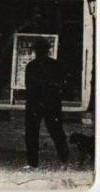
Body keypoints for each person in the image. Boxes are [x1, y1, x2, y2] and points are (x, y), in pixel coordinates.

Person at [24, 38, 69, 168]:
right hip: (51, 103)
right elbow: (61, 85)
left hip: (35, 103)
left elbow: (29, 86)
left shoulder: (31, 66)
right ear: (48, 50)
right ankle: (64, 160)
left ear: (36, 51)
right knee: (56, 131)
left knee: (32, 134)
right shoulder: (56, 65)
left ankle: (33, 163)